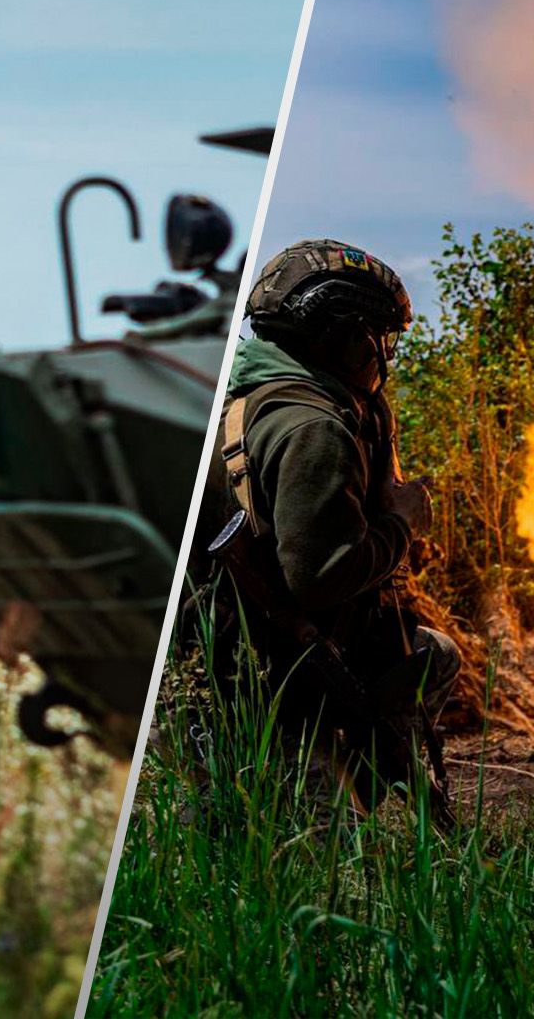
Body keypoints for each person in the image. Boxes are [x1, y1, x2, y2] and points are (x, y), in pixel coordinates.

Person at [195, 239, 459, 817]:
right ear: (348, 337)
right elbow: (321, 578)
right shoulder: (315, 430)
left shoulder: (248, 396)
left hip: (256, 652)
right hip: (275, 676)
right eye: (380, 339)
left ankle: (361, 774)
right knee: (313, 868)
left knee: (433, 654)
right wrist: (402, 522)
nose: (385, 356)